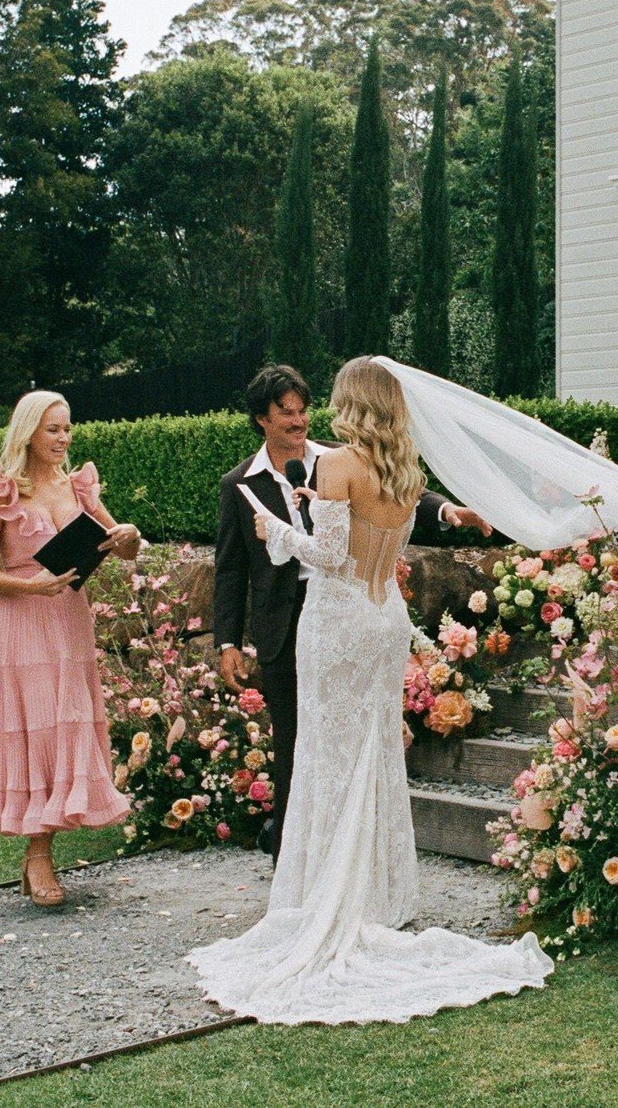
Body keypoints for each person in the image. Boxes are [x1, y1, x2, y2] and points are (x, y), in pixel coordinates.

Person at [188, 357, 551, 1022]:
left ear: (350, 402)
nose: (308, 413)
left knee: (328, 756)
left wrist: (277, 532)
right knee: (374, 755)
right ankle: (379, 895)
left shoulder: (336, 466)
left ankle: (330, 897)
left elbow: (328, 557)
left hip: (336, 622)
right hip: (383, 618)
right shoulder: (403, 466)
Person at [212, 362, 492, 857]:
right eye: (286, 414)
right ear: (262, 419)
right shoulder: (238, 482)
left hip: (338, 608)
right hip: (288, 619)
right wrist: (228, 641)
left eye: (303, 411)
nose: (299, 422)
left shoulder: (339, 459)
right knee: (296, 741)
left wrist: (447, 511)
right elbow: (231, 570)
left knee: (348, 736)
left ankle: (337, 864)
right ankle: (295, 859)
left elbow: (403, 495)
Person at [0, 391, 143, 906]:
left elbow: (119, 542)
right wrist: (31, 586)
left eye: (67, 429)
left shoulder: (77, 487)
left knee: (67, 726)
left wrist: (128, 534)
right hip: (23, 620)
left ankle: (46, 845)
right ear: (29, 433)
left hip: (69, 620)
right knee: (36, 729)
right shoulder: (0, 488)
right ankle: (37, 855)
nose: (63, 439)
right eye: (53, 430)